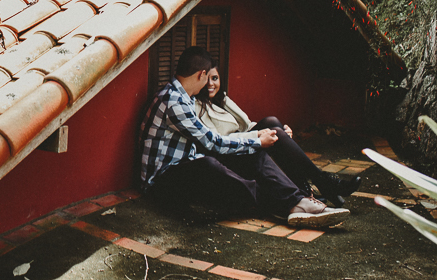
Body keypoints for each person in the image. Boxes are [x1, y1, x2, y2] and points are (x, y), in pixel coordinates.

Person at [140, 46, 349, 228]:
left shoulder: (181, 97)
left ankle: (298, 202)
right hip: (161, 183)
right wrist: (257, 139)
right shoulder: (174, 101)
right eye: (207, 78)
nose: (207, 84)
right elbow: (212, 141)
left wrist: (255, 139)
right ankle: (291, 203)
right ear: (201, 75)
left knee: (252, 155)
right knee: (211, 165)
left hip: (187, 167)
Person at [195, 63, 361, 207]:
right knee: (275, 131)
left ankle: (309, 187)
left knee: (272, 122)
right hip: (226, 156)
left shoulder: (221, 99)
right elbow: (218, 141)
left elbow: (247, 125)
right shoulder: (197, 105)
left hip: (241, 145)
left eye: (215, 78)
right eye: (207, 79)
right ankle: (321, 183)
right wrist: (258, 138)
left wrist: (280, 132)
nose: (211, 84)